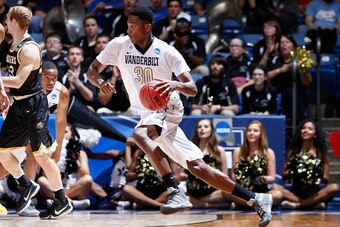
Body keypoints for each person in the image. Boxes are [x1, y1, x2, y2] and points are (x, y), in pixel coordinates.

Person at [87, 6, 273, 227]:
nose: (128, 30)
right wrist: (100, 83)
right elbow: (92, 70)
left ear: (147, 27)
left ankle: (175, 191)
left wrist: (174, 83)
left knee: (140, 134)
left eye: (133, 26)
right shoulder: (118, 45)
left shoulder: (167, 51)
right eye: (127, 25)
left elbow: (192, 88)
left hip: (167, 106)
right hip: (148, 112)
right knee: (198, 168)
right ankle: (257, 199)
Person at [0, 6, 72, 219]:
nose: (5, 20)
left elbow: (18, 80)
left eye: (7, 18)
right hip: (18, 104)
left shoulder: (30, 49)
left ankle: (61, 199)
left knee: (41, 155)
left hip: (33, 105)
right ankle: (25, 185)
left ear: (13, 21)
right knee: (3, 152)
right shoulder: (13, 43)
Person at [272, 119, 340, 209]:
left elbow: (326, 178)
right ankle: (312, 205)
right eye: (303, 128)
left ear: (315, 134)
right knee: (275, 187)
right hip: (295, 193)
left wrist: (312, 171)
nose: (305, 130)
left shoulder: (321, 153)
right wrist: (297, 171)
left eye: (310, 129)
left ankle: (299, 205)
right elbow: (284, 176)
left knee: (334, 187)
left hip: (315, 193)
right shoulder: (292, 151)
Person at [231, 120, 283, 207]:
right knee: (225, 192)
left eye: (255, 131)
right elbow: (233, 176)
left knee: (278, 194)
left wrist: (258, 178)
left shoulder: (268, 152)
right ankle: (258, 205)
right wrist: (245, 176)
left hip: (262, 192)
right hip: (244, 192)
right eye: (249, 130)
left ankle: (248, 204)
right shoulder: (238, 151)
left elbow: (272, 177)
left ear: (261, 134)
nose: (251, 133)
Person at [183, 118, 230, 208]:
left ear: (211, 130)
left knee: (227, 192)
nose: (202, 129)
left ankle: (199, 203)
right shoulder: (190, 150)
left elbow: (225, 176)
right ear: (196, 131)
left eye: (206, 126)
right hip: (193, 192)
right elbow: (183, 172)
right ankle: (211, 205)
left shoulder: (219, 150)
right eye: (199, 127)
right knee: (182, 196)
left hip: (213, 192)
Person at [266, 34, 312, 123]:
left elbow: (307, 82)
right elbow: (265, 76)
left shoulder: (300, 58)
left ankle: (298, 126)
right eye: (282, 42)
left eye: (287, 42)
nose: (284, 44)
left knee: (292, 94)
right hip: (277, 91)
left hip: (296, 92)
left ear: (293, 45)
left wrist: (304, 71)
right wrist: (280, 70)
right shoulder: (274, 59)